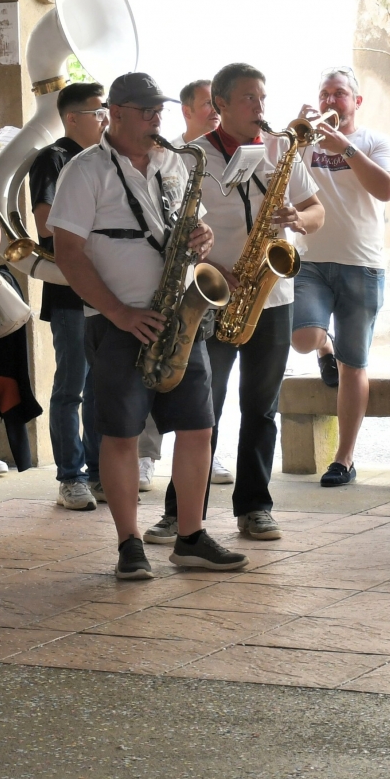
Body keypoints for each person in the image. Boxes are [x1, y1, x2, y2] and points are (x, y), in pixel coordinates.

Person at [49, 72, 246, 579]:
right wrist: (119, 313)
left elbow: (191, 225)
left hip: (180, 316)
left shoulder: (174, 163)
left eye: (160, 111)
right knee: (121, 435)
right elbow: (68, 253)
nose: (157, 121)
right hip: (120, 322)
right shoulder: (84, 170)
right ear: (115, 113)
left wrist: (202, 237)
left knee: (199, 428)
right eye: (146, 112)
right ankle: (128, 543)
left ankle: (190, 536)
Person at [148, 63, 324, 545]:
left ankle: (255, 507)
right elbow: (174, 229)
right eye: (249, 98)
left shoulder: (280, 149)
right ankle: (181, 513)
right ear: (220, 104)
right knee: (202, 410)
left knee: (261, 408)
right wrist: (207, 266)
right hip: (215, 293)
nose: (260, 107)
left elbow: (317, 209)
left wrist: (299, 218)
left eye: (262, 97)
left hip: (273, 296)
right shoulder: (191, 158)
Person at [292, 66, 390, 487]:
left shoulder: (374, 141)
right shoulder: (304, 142)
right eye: (324, 94)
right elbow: (276, 179)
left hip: (361, 262)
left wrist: (345, 147)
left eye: (339, 93)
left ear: (356, 101)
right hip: (311, 261)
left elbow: (386, 189)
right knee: (302, 337)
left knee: (354, 365)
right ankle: (324, 345)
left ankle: (344, 458)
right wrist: (296, 136)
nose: (330, 101)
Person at [28, 80, 107, 511]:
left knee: (99, 386)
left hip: (105, 285)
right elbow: (45, 223)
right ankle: (70, 477)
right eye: (98, 112)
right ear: (73, 118)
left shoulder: (105, 157)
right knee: (71, 386)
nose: (105, 119)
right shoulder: (53, 157)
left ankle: (98, 473)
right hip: (69, 288)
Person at [175, 77, 228, 484]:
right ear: (186, 111)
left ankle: (209, 455)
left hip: (207, 281)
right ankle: (146, 456)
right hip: (171, 283)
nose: (215, 111)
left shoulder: (225, 151)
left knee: (204, 389)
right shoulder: (173, 155)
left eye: (217, 103)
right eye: (207, 104)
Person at [179, 78, 219, 143]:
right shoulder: (169, 149)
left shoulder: (233, 147)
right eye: (208, 103)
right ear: (187, 112)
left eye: (217, 103)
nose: (216, 109)